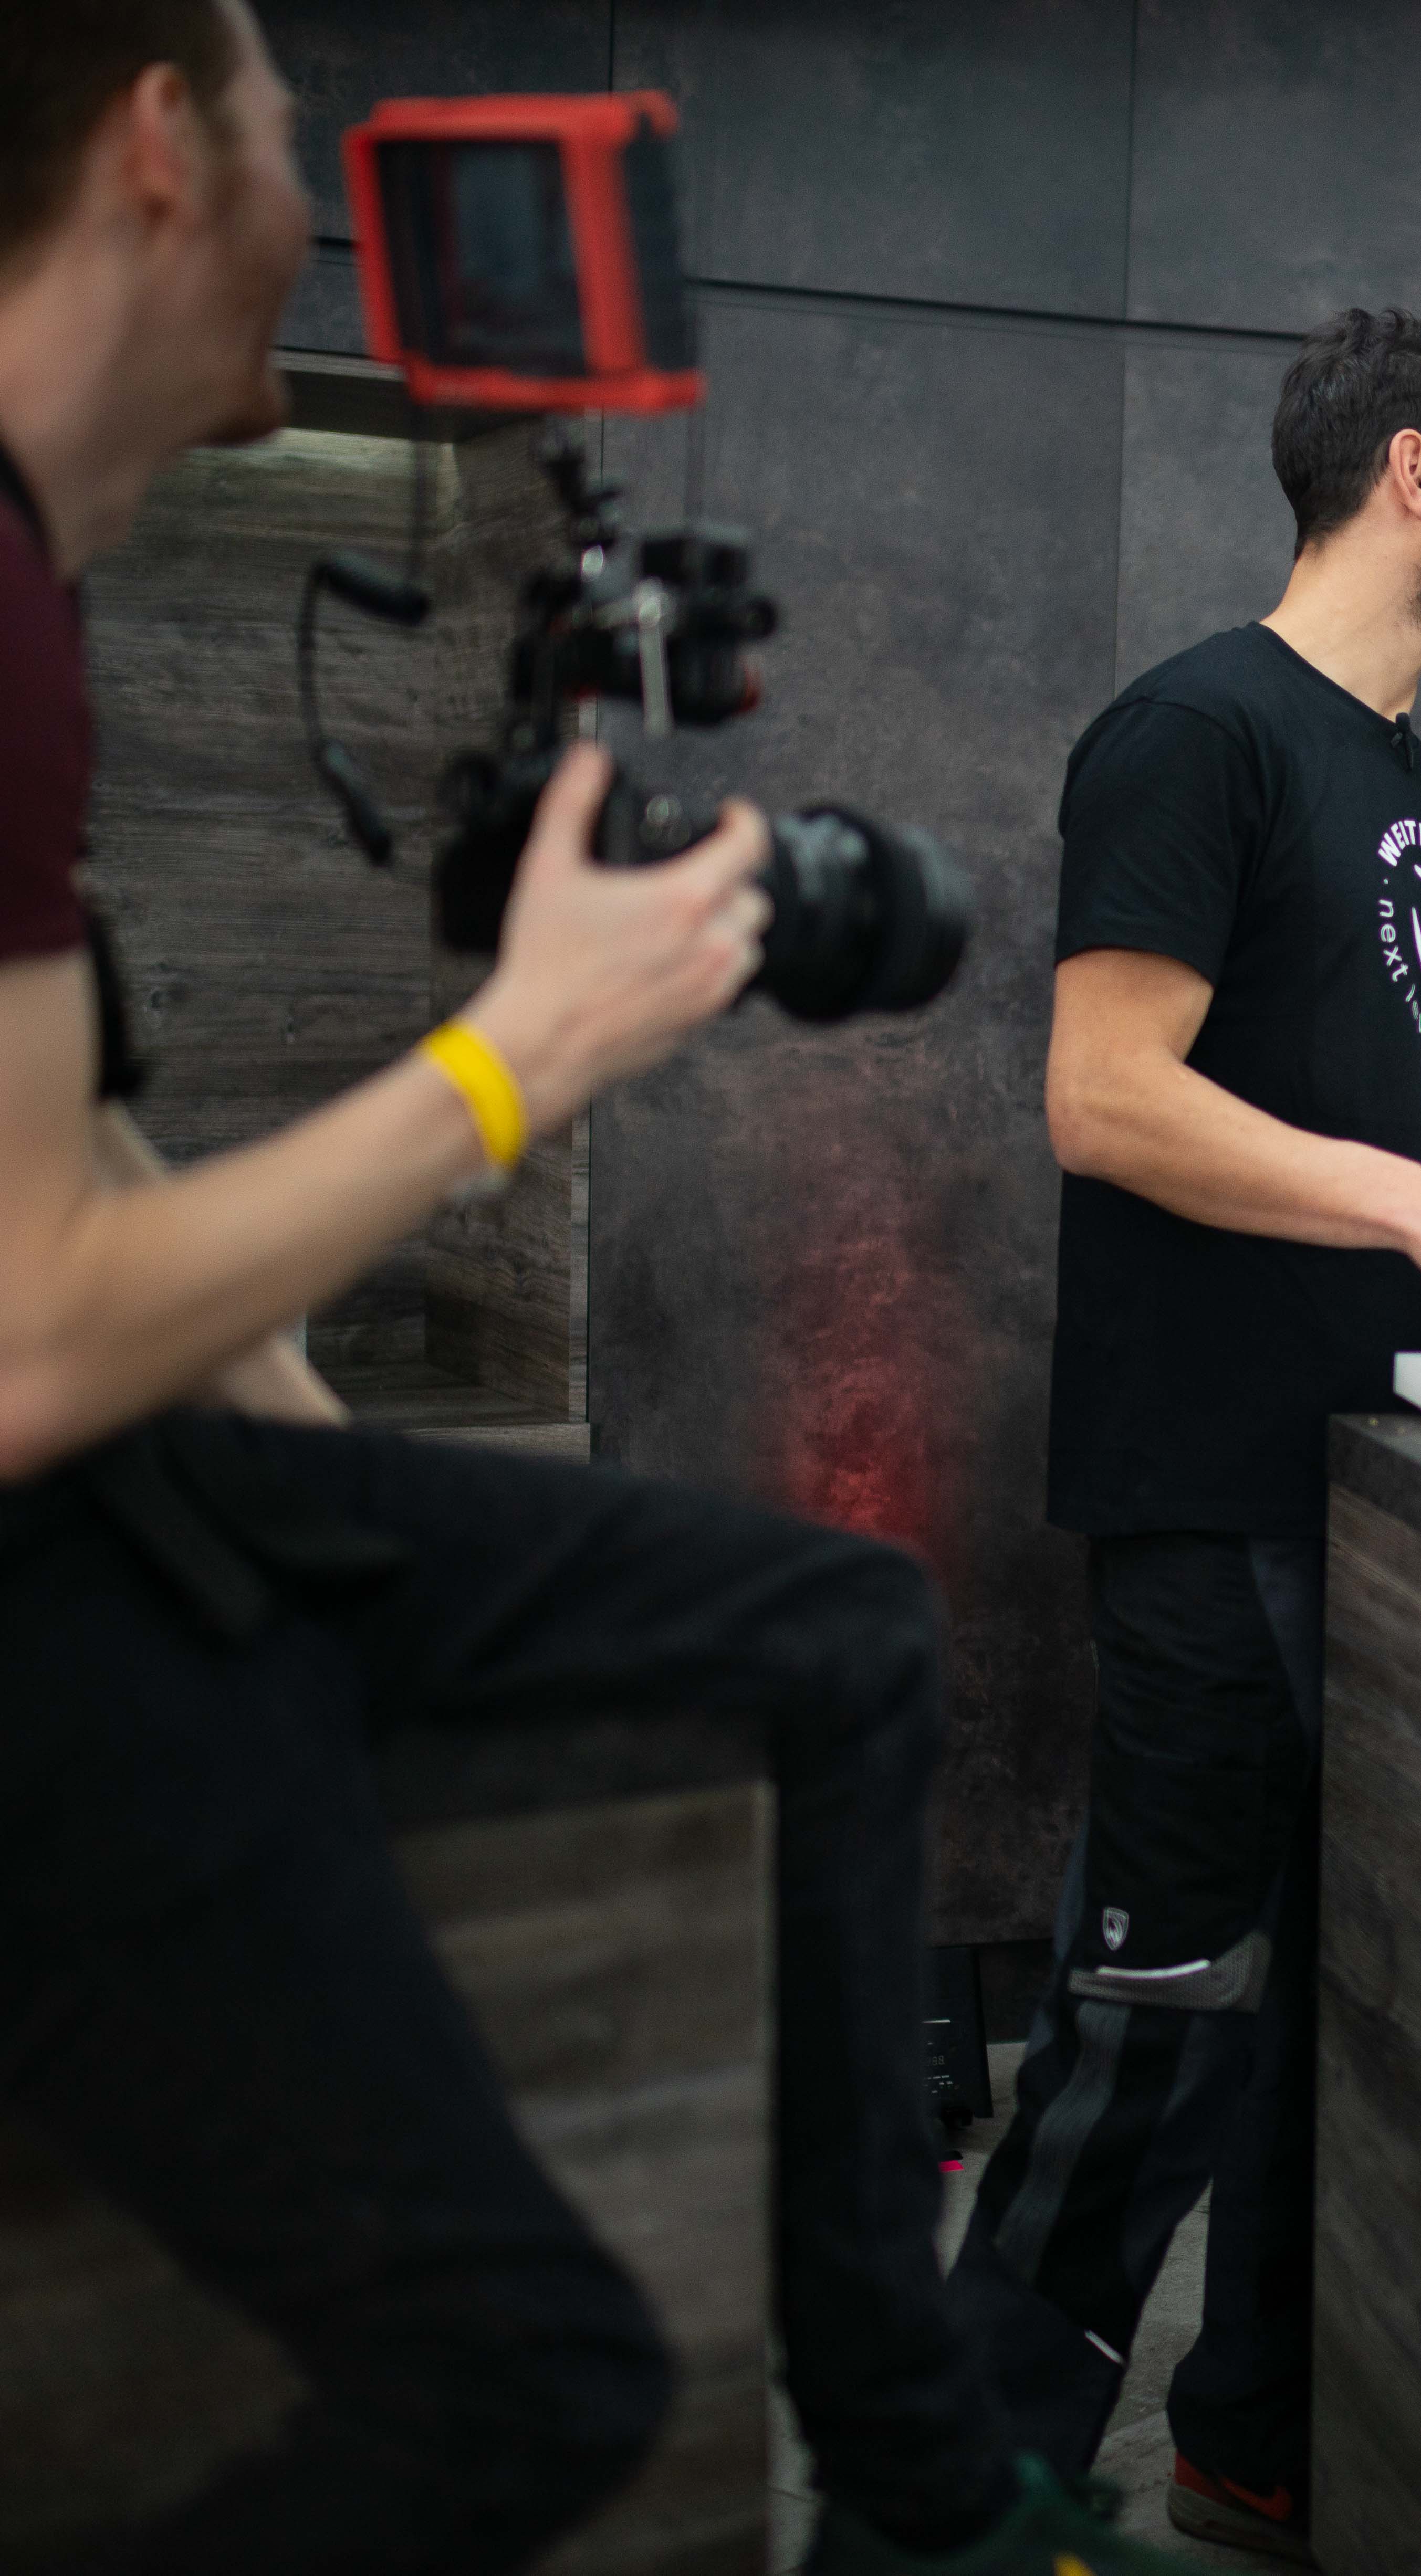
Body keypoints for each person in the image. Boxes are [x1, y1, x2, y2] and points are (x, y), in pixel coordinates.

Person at [0, 9, 1201, 2570]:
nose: (306, 204)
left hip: (132, 1489)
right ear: (146, 151)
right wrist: (521, 1050)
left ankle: (905, 2461)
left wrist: (369, 1559)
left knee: (841, 1632)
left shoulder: (33, 591)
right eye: (278, 142)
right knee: (530, 2377)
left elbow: (76, 1142)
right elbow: (25, 1337)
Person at [947, 307, 1421, 2559]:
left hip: (1415, 1510)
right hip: (1217, 1489)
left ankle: (1259, 2445)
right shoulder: (1194, 733)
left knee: (1346, 2030)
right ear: (1415, 478)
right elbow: (1106, 1097)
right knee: (1157, 2029)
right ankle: (956, 2502)